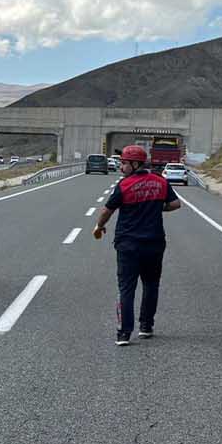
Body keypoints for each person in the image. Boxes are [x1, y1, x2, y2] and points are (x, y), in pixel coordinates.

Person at [93, 145, 181, 346]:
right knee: (151, 284)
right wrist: (157, 208)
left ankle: (124, 333)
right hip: (155, 243)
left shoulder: (124, 185)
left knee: (126, 287)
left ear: (135, 164)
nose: (122, 167)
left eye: (124, 163)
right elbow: (176, 204)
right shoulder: (160, 182)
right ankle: (146, 326)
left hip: (128, 244)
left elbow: (108, 210)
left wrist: (99, 226)